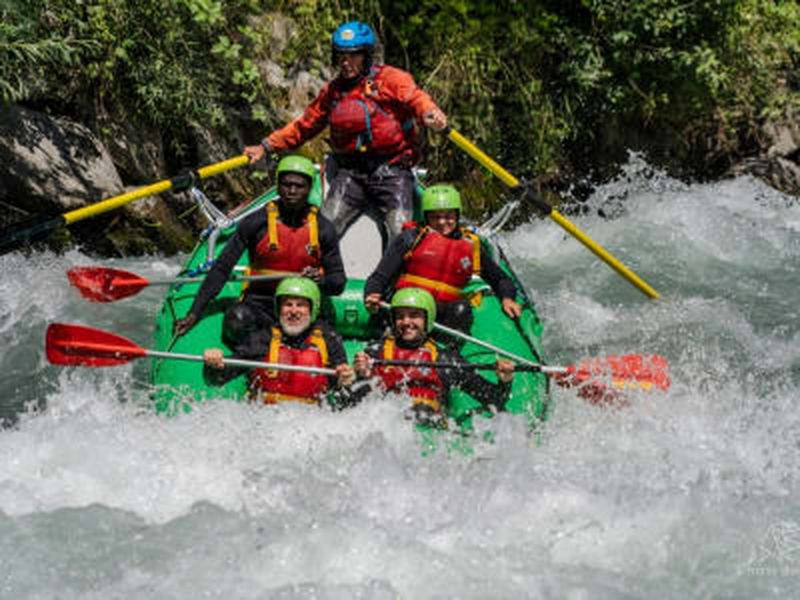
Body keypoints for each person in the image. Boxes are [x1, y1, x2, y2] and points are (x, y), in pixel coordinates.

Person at [243, 21, 448, 247]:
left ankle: (393, 281)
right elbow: (304, 126)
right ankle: (315, 275)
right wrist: (266, 146)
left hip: (392, 171)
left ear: (366, 55)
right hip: (351, 174)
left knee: (401, 233)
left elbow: (417, 98)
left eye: (354, 56)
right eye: (341, 56)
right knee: (324, 228)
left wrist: (431, 113)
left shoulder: (390, 79)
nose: (346, 62)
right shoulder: (333, 92)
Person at [174, 155, 346, 343]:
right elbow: (222, 268)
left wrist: (321, 280)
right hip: (260, 303)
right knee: (236, 320)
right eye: (286, 185)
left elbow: (338, 282)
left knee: (330, 341)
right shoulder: (256, 222)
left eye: (299, 186)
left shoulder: (323, 228)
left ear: (310, 188)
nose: (292, 191)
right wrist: (194, 313)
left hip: (302, 304)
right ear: (278, 186)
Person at [363, 184, 522, 336]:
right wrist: (372, 293)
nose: (441, 222)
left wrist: (507, 298)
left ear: (457, 216)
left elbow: (501, 279)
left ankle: (450, 351)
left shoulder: (471, 246)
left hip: (445, 312)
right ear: (426, 217)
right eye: (435, 217)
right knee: (407, 306)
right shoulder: (410, 238)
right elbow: (379, 277)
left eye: (448, 216)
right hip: (409, 307)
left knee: (462, 308)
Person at [351, 288, 515, 427]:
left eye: (414, 315)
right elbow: (354, 405)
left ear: (427, 319)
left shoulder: (444, 360)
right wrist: (361, 376)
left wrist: (505, 380)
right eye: (400, 316)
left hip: (430, 431)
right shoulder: (375, 353)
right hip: (389, 429)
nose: (406, 321)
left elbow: (494, 399)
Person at [203, 277, 355, 405]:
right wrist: (213, 366)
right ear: (279, 309)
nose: (294, 311)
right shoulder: (264, 338)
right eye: (288, 304)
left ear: (312, 309)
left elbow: (343, 392)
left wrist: (346, 380)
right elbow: (216, 379)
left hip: (311, 422)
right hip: (264, 418)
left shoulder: (328, 339)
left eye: (301, 305)